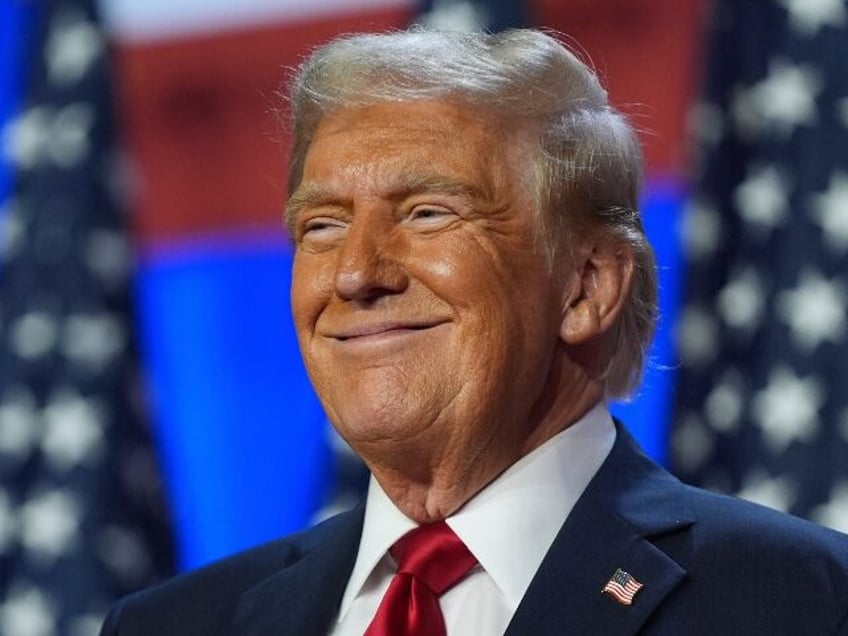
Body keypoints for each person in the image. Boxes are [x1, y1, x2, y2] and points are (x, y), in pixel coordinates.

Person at [100, 28, 848, 635]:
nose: (357, 274)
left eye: (428, 213)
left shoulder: (802, 602)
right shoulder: (176, 624)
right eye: (321, 226)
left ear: (587, 287)